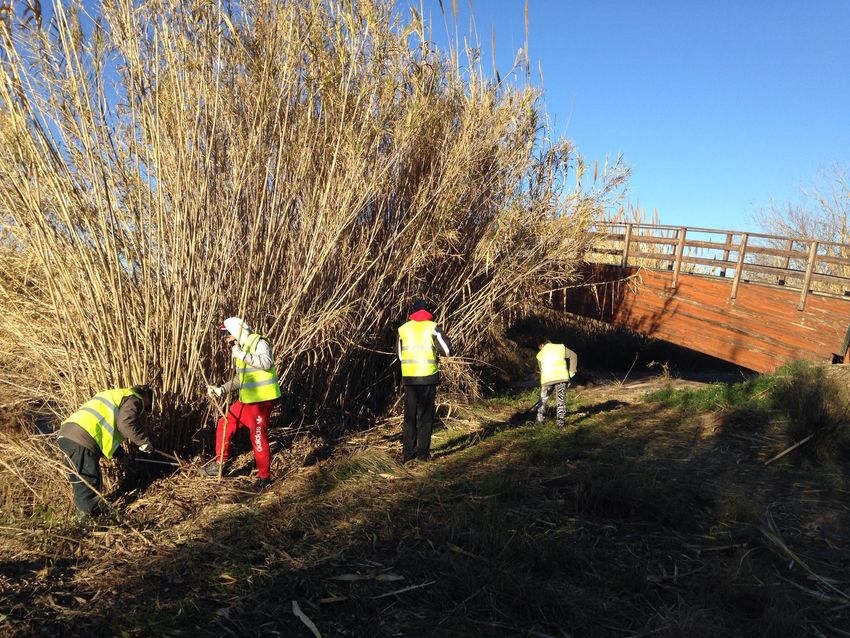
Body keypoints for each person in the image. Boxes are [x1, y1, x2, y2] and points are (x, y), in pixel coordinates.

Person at [202, 317, 281, 489]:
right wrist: (221, 389)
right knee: (225, 423)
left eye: (227, 334)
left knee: (258, 437)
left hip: (262, 400)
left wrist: (242, 355)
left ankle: (264, 478)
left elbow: (267, 363)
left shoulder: (259, 342)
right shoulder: (239, 349)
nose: (226, 339)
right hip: (247, 400)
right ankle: (220, 463)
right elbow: (240, 378)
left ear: (237, 331)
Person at [56, 385, 155, 516]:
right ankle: (88, 523)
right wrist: (143, 442)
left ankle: (81, 519)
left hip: (66, 435)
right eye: (146, 407)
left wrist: (121, 455)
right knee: (89, 485)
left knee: (81, 483)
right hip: (82, 439)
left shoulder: (114, 395)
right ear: (146, 397)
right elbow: (125, 424)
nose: (143, 410)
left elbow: (104, 431)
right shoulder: (134, 398)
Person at [397, 299, 451, 463]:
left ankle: (408, 454)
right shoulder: (433, 328)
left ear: (412, 312)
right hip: (427, 377)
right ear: (427, 312)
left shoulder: (403, 329)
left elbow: (400, 355)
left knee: (409, 417)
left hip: (409, 379)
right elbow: (447, 351)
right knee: (425, 417)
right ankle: (423, 454)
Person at [536, 340, 578, 428]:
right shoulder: (560, 348)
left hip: (547, 380)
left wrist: (545, 385)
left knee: (543, 400)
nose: (539, 349)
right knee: (560, 401)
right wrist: (572, 372)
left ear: (542, 344)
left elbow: (542, 371)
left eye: (539, 347)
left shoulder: (540, 354)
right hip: (562, 378)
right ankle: (560, 424)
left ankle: (540, 421)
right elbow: (574, 355)